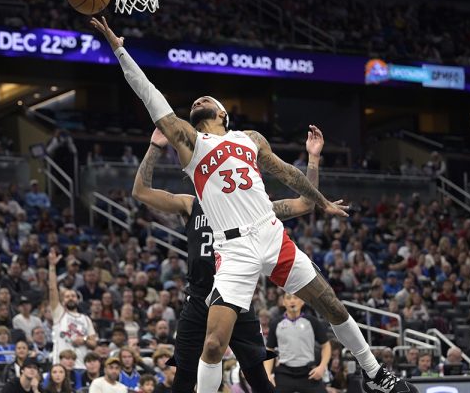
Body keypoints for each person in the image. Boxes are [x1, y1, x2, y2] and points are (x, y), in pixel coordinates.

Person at [92, 16, 414, 393]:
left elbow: (288, 176)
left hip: (271, 233)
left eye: (207, 99)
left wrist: (321, 196)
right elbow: (149, 94)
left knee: (331, 304)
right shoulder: (191, 144)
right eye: (196, 100)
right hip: (234, 249)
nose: (199, 99)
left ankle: (375, 373)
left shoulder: (250, 138)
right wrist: (119, 48)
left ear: (223, 113)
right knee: (213, 345)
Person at [132, 126, 329, 393]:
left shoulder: (253, 209)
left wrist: (313, 159)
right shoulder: (190, 204)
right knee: (183, 380)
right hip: (200, 297)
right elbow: (141, 192)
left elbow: (305, 204)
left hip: (235, 296)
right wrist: (155, 146)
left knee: (258, 377)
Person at [265, 294, 331, 393]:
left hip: (308, 371)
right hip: (284, 373)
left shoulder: (312, 322)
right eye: (288, 298)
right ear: (283, 302)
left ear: (302, 301)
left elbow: (326, 345)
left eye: (296, 298)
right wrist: (267, 374)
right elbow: (269, 349)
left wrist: (322, 367)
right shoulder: (275, 324)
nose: (292, 301)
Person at [48, 250, 98, 369]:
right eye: (67, 296)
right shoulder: (59, 313)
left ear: (78, 299)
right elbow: (52, 289)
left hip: (81, 366)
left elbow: (94, 343)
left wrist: (84, 340)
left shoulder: (85, 319)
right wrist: (52, 266)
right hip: (60, 367)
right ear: (63, 300)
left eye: (73, 296)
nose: (70, 298)